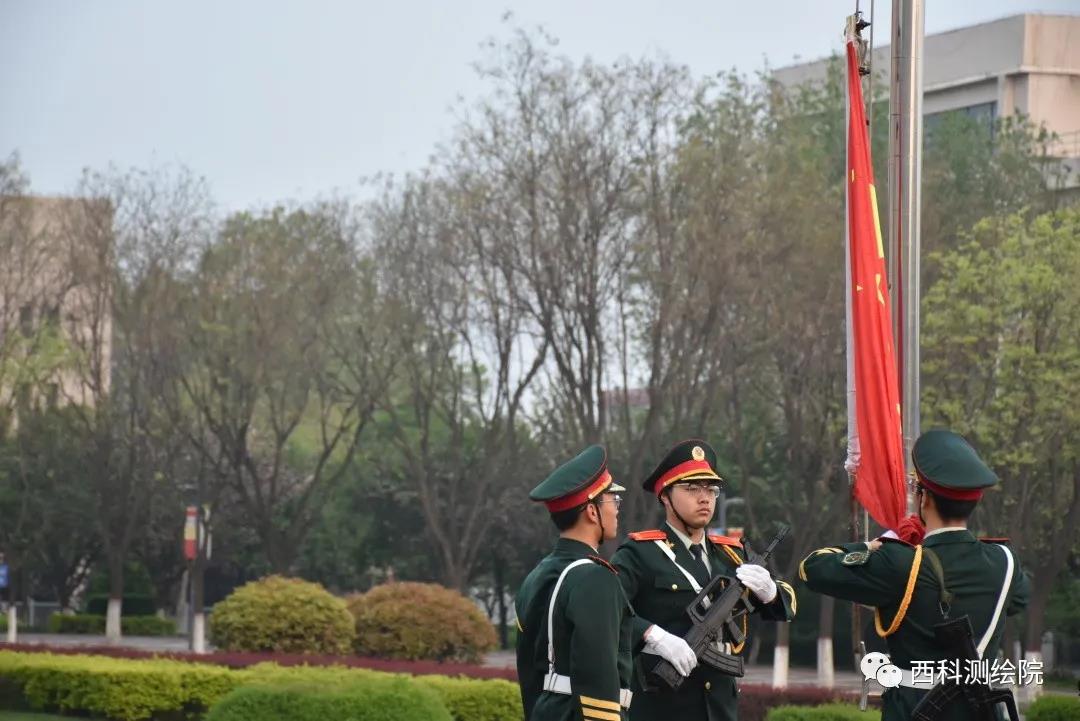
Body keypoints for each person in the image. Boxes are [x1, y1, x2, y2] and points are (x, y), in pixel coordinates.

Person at [800, 429, 1030, 721]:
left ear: (925, 499)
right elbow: (1018, 600)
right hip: (980, 711)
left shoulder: (901, 562)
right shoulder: (1005, 562)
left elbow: (813, 568)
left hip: (915, 710)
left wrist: (873, 546)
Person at [612, 439, 796, 721]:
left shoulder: (731, 555)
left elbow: (786, 608)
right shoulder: (640, 553)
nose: (704, 498)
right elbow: (608, 610)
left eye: (711, 489)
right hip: (663, 707)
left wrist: (771, 592)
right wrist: (652, 635)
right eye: (691, 489)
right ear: (665, 496)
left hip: (720, 709)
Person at [516, 444, 636, 721]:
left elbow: (529, 670)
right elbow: (598, 674)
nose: (617, 510)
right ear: (592, 512)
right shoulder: (595, 577)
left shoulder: (536, 577)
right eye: (613, 501)